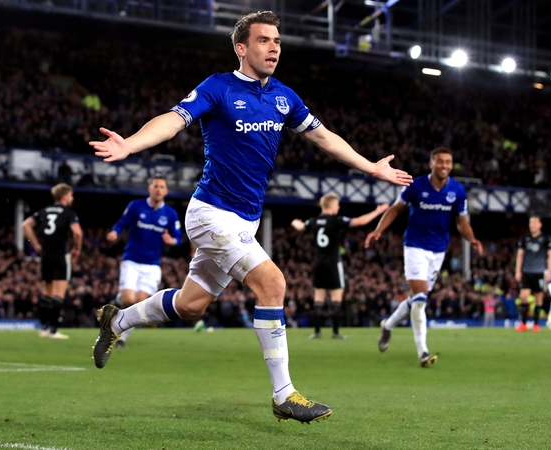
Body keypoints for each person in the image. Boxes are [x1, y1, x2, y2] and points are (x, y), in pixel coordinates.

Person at [88, 11, 412, 423]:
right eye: (263, 40)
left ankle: (118, 319)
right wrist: (131, 145)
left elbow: (324, 137)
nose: (274, 46)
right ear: (242, 48)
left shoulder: (283, 96)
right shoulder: (218, 87)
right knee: (273, 283)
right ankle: (284, 394)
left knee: (191, 306)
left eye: (277, 40)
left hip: (245, 221)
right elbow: (173, 120)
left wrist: (372, 167)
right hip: (210, 214)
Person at [365, 147, 482, 367]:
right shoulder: (416, 186)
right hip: (415, 246)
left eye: (448, 162)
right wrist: (379, 230)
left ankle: (388, 325)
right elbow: (395, 209)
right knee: (420, 299)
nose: (445, 166)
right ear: (432, 164)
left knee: (416, 300)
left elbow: (462, 221)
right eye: (440, 162)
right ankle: (423, 352)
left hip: (439, 250)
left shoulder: (457, 190)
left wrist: (472, 239)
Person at [291, 194, 388, 339]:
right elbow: (360, 222)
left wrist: (294, 222)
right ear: (330, 205)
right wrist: (378, 211)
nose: (339, 207)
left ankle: (317, 332)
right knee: (336, 297)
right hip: (332, 263)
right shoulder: (336, 220)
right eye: (337, 204)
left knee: (319, 297)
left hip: (318, 263)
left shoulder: (314, 221)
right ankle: (335, 332)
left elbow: (299, 226)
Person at [106, 176, 182, 348]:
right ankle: (120, 299)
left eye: (162, 187)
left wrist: (172, 241)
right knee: (127, 300)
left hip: (152, 265)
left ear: (166, 191)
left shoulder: (170, 214)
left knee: (139, 303)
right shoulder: (136, 206)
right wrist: (114, 233)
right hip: (131, 260)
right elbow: (121, 223)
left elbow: (177, 237)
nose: (158, 189)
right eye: (155, 186)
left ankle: (122, 337)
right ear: (150, 189)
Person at [22, 183, 82, 340]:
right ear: (64, 197)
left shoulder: (44, 211)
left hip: (46, 254)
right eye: (70, 195)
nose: (72, 198)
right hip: (61, 254)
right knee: (58, 294)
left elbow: (26, 225)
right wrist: (77, 248)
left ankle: (43, 328)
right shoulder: (69, 213)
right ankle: (53, 331)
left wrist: (34, 244)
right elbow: (77, 232)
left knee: (46, 292)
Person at [514, 216, 551, 332]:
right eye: (531, 222)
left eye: (535, 222)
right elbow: (520, 255)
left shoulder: (546, 238)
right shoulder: (524, 238)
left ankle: (536, 325)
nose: (532, 224)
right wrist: (518, 271)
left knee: (539, 298)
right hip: (526, 271)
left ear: (540, 225)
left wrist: (549, 272)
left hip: (539, 271)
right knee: (523, 297)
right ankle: (523, 324)